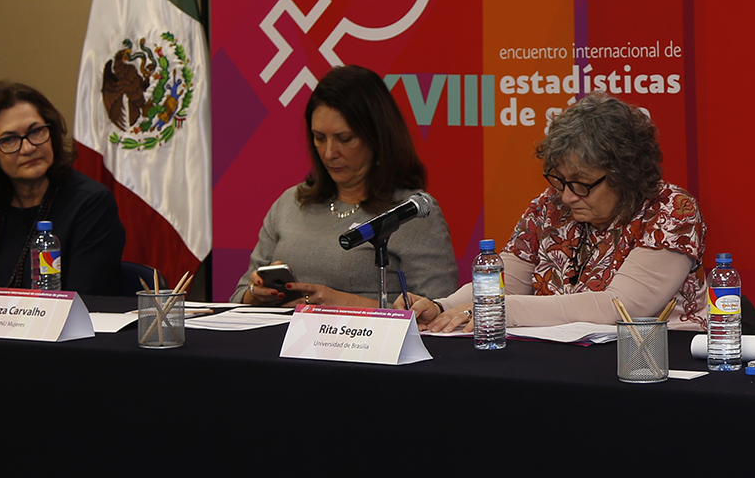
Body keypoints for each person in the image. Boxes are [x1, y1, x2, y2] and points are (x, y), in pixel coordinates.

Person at [410, 93, 707, 331]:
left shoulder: (671, 209)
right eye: (561, 180)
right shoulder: (549, 206)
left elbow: (620, 308)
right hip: (561, 359)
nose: (567, 196)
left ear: (625, 175)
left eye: (582, 184)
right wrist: (441, 307)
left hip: (656, 360)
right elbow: (504, 283)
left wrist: (503, 310)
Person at [234, 65, 458, 306]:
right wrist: (256, 293)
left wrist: (337, 302)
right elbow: (238, 297)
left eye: (345, 139)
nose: (329, 153)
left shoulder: (411, 214)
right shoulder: (290, 203)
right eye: (319, 138)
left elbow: (438, 314)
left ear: (377, 137)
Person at [0, 80, 127, 295]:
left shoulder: (90, 203)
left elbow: (87, 298)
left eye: (36, 131)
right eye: (9, 139)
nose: (27, 148)